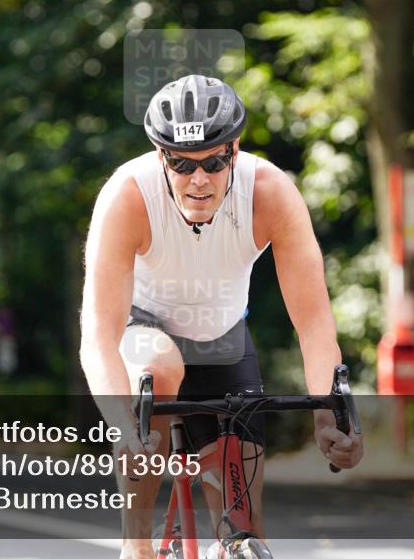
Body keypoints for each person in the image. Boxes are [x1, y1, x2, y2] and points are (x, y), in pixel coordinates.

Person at [80, 74, 363, 559]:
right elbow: (97, 334)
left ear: (234, 149)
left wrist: (326, 417)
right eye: (181, 164)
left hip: (223, 340)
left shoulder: (270, 192)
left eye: (213, 161)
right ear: (158, 154)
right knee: (160, 366)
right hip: (144, 334)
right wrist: (123, 427)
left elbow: (314, 323)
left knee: (246, 540)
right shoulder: (127, 196)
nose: (199, 179)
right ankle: (138, 546)